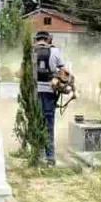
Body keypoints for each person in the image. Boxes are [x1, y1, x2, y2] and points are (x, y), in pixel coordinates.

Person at [34, 30, 69, 167]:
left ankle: (37, 154)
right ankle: (50, 157)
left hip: (34, 92)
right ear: (49, 40)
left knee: (36, 122)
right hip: (49, 92)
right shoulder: (55, 52)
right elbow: (64, 72)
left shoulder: (31, 51)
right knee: (48, 125)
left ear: (36, 40)